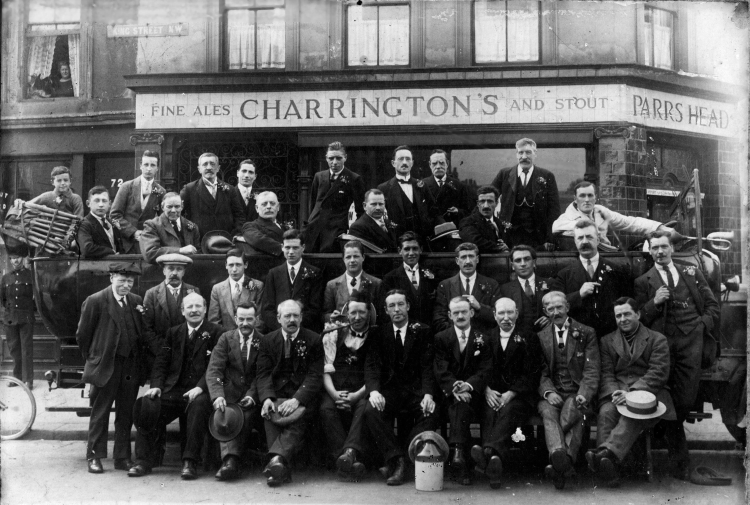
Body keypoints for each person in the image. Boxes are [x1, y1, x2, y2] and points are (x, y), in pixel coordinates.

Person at [634, 230, 719, 480]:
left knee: (685, 400)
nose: (659, 252)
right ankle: (678, 461)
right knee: (666, 399)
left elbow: (712, 305)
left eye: (663, 247)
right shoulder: (643, 281)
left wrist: (702, 325)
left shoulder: (691, 272)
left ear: (671, 248)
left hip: (691, 344)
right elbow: (637, 317)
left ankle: (674, 452)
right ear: (650, 252)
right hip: (662, 348)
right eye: (655, 248)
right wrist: (654, 303)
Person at [127, 292, 222, 479]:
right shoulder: (174, 332)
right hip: (174, 389)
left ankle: (189, 462)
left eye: (198, 306)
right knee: (148, 404)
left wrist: (201, 387)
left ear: (205, 309)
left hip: (201, 390)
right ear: (182, 311)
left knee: (199, 405)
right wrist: (156, 386)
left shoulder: (217, 332)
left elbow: (216, 366)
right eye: (189, 307)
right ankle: (143, 461)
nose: (194, 310)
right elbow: (161, 362)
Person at [586, 297, 675, 487]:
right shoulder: (607, 341)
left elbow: (658, 373)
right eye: (618, 315)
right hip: (616, 391)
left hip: (649, 394)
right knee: (606, 411)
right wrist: (615, 392)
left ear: (638, 314)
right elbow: (607, 373)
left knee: (634, 411)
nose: (622, 319)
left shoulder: (657, 339)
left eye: (627, 314)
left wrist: (632, 393)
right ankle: (608, 468)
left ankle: (605, 456)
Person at [76, 262, 155, 474]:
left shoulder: (136, 301)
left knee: (126, 413)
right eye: (122, 280)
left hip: (130, 367)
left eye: (130, 281)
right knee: (100, 412)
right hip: (106, 367)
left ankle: (122, 457)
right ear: (111, 278)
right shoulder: (96, 301)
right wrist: (95, 359)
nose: (126, 285)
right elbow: (83, 336)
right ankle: (95, 456)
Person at [364, 289, 438, 486]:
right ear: (386, 310)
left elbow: (427, 367)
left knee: (431, 412)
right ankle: (398, 458)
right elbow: (372, 365)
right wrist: (374, 392)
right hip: (390, 391)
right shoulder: (378, 333)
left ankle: (400, 460)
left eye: (400, 304)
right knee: (371, 410)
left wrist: (428, 394)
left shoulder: (422, 330)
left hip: (415, 391)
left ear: (408, 306)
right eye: (391, 306)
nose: (397, 309)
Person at [471, 298, 542, 489]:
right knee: (488, 410)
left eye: (510, 313)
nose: (506, 317)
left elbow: (532, 373)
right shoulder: (485, 337)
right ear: (494, 315)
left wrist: (511, 393)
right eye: (501, 313)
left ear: (517, 314)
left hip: (519, 396)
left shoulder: (529, 337)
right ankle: (494, 462)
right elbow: (478, 369)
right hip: (492, 393)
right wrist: (486, 391)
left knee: (509, 410)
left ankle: (488, 454)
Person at [257, 300, 324, 487]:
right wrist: (267, 398)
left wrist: (296, 400)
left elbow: (315, 375)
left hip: (302, 395)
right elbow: (262, 374)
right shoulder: (268, 340)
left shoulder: (313, 339)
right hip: (276, 394)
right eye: (287, 316)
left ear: (302, 317)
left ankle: (275, 461)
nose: (292, 319)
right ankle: (279, 465)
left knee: (299, 416)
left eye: (296, 315)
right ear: (278, 318)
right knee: (269, 414)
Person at [536, 291, 599, 490]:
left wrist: (583, 394)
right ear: (545, 312)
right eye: (551, 309)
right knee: (547, 411)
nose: (556, 312)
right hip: (553, 392)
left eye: (559, 307)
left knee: (574, 408)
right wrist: (548, 392)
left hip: (577, 391)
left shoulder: (586, 332)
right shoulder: (540, 336)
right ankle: (564, 461)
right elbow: (540, 372)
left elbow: (592, 369)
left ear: (568, 307)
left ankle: (558, 461)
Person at [433, 297, 493, 486]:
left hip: (473, 394)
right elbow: (440, 368)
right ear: (450, 315)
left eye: (464, 312)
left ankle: (458, 454)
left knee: (464, 404)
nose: (460, 316)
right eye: (456, 313)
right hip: (448, 394)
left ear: (472, 313)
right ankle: (460, 458)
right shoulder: (441, 338)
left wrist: (467, 385)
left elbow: (486, 368)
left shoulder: (483, 338)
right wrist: (454, 387)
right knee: (459, 405)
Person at [206, 302, 265, 481]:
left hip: (251, 397)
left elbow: (263, 374)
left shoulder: (263, 341)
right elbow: (214, 369)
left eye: (249, 319)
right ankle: (230, 461)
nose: (245, 323)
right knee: (225, 415)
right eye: (241, 319)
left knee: (246, 417)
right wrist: (217, 396)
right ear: (236, 319)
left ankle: (231, 460)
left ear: (256, 319)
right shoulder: (226, 338)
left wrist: (251, 395)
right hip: (228, 395)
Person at [320, 291, 375, 480]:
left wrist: (355, 396)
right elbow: (326, 370)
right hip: (335, 388)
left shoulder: (376, 336)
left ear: (369, 313)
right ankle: (346, 459)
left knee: (364, 408)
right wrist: (335, 395)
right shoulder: (334, 333)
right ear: (347, 313)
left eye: (362, 312)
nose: (357, 317)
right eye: (353, 313)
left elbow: (375, 375)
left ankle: (349, 453)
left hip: (361, 391)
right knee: (326, 409)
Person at [551, 219, 625, 338]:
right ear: (575, 242)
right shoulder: (564, 274)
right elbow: (555, 305)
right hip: (578, 338)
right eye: (580, 238)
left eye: (589, 237)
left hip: (611, 337)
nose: (584, 242)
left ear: (598, 240)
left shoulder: (617, 270)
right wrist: (578, 294)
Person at [552, 181, 679, 248]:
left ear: (596, 197)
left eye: (590, 195)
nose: (586, 200)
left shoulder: (600, 212)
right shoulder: (566, 218)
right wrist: (591, 227)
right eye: (582, 196)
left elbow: (628, 222)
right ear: (575, 199)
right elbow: (556, 228)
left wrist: (659, 228)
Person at [491, 138, 560, 250]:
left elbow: (554, 210)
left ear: (535, 154)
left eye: (528, 152)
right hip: (510, 236)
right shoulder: (504, 174)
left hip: (538, 237)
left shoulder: (547, 175)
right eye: (520, 152)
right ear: (516, 154)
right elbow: (488, 197)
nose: (524, 156)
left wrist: (550, 238)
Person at [305, 142, 366, 253]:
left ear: (345, 158)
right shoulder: (319, 176)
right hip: (315, 228)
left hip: (335, 230)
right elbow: (313, 204)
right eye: (331, 158)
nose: (334, 162)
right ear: (326, 158)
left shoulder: (354, 178)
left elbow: (360, 211)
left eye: (338, 158)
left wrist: (352, 232)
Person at [261, 229, 323, 333]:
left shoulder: (314, 273)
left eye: (295, 248)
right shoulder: (273, 274)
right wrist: (282, 329)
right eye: (287, 247)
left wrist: (296, 327)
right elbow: (267, 309)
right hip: (278, 332)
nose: (290, 252)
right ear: (282, 247)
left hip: (305, 331)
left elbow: (315, 308)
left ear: (303, 248)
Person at [433, 242, 500, 334]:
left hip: (484, 341)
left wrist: (480, 307)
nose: (468, 261)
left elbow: (499, 316)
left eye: (471, 256)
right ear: (457, 261)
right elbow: (439, 320)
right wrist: (460, 335)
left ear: (477, 259)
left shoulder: (491, 284)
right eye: (463, 257)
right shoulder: (445, 286)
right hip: (455, 342)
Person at [377, 145, 439, 242]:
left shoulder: (422, 186)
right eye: (401, 159)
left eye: (408, 159)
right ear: (393, 163)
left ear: (412, 163)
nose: (405, 162)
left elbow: (434, 212)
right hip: (395, 241)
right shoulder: (384, 188)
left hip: (422, 241)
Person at [142, 253, 201, 355]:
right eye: (170, 268)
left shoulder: (194, 291)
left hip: (187, 352)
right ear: (164, 271)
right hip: (161, 353)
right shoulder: (151, 294)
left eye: (179, 269)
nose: (174, 273)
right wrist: (163, 350)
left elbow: (199, 323)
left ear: (184, 272)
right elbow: (147, 328)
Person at [110, 151, 166, 254]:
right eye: (146, 164)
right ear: (140, 166)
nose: (149, 168)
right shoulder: (127, 187)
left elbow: (162, 219)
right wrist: (133, 232)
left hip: (148, 244)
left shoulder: (161, 191)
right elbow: (114, 215)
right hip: (127, 243)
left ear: (157, 168)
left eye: (153, 165)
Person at [180, 152, 245, 240]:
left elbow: (239, 215)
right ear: (199, 169)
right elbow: (179, 213)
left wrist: (236, 233)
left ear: (218, 168)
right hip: (199, 240)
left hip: (226, 240)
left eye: (212, 164)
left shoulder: (230, 189)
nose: (209, 167)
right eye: (205, 164)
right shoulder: (189, 189)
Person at [378, 232, 437, 327]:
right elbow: (384, 312)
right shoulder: (390, 278)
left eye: (415, 249)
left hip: (428, 330)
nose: (411, 253)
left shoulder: (431, 275)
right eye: (406, 249)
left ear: (421, 250)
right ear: (399, 251)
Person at [323, 240, 381, 324]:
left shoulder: (376, 283)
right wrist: (331, 317)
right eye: (348, 257)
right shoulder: (332, 285)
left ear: (363, 257)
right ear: (343, 259)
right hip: (342, 332)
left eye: (356, 256)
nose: (352, 260)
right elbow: (325, 314)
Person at [1, 244, 35, 388]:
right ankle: (17, 378)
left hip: (26, 317)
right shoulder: (6, 278)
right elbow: (2, 299)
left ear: (23, 258)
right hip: (10, 318)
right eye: (13, 258)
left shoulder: (31, 275)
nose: (15, 261)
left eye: (18, 258)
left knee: (26, 349)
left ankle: (28, 380)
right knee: (15, 349)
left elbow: (36, 298)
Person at [208, 248, 265, 332]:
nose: (234, 269)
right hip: (226, 340)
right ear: (226, 265)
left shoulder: (257, 286)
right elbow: (214, 321)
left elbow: (259, 319)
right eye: (231, 265)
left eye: (238, 265)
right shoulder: (217, 289)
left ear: (245, 265)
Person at [499, 245, 552, 334]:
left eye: (527, 259)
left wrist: (551, 318)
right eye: (518, 260)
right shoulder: (505, 289)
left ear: (534, 262)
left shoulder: (551, 284)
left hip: (547, 335)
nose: (523, 264)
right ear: (512, 265)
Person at [139, 192, 200, 264]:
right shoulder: (152, 225)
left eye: (177, 206)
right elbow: (150, 253)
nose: (173, 210)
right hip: (161, 272)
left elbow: (198, 254)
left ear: (182, 207)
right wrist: (180, 250)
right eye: (169, 207)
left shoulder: (192, 227)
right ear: (162, 207)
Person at [421, 149, 474, 227]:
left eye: (441, 163)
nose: (438, 166)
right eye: (434, 163)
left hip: (453, 230)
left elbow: (469, 212)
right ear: (429, 165)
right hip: (431, 231)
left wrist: (458, 211)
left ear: (447, 164)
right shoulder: (423, 185)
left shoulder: (459, 186)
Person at [14, 166, 84, 217]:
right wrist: (20, 202)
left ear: (70, 181)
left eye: (65, 180)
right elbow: (28, 205)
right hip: (49, 234)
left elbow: (79, 219)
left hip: (70, 234)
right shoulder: (47, 196)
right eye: (59, 180)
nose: (63, 183)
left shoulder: (75, 198)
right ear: (52, 182)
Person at [458, 186, 509, 254]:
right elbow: (475, 241)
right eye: (482, 201)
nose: (486, 206)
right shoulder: (468, 222)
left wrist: (507, 247)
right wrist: (499, 248)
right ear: (478, 204)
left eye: (490, 201)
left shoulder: (499, 223)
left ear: (496, 203)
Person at [77, 186, 124, 258]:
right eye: (97, 200)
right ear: (88, 203)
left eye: (104, 201)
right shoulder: (84, 224)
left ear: (110, 204)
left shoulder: (111, 223)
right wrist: (111, 251)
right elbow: (87, 249)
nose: (101, 205)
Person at [241, 191, 285, 256]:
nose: (269, 207)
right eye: (264, 204)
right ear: (257, 208)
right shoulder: (250, 226)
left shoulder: (284, 228)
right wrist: (285, 248)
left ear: (278, 207)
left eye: (272, 203)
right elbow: (258, 240)